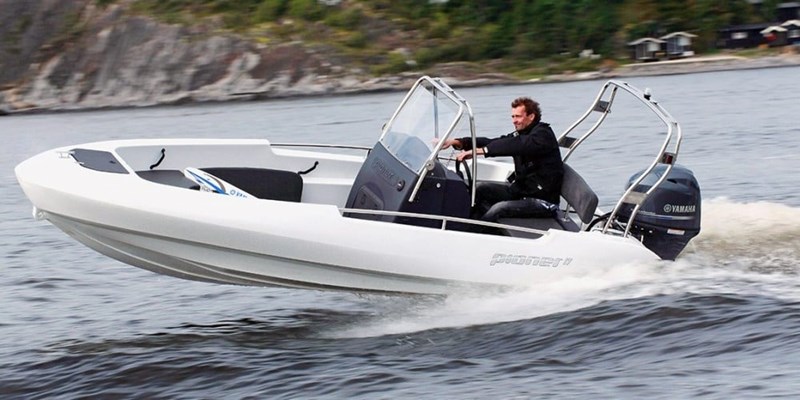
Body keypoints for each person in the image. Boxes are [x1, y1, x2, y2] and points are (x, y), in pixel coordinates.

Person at [439, 96, 564, 222]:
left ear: (531, 116)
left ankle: (475, 229)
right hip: (521, 191)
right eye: (513, 117)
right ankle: (460, 220)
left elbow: (516, 145)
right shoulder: (523, 133)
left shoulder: (543, 135)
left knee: (499, 209)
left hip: (543, 201)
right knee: (480, 188)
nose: (514, 121)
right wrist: (459, 142)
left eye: (518, 116)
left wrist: (481, 151)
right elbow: (496, 142)